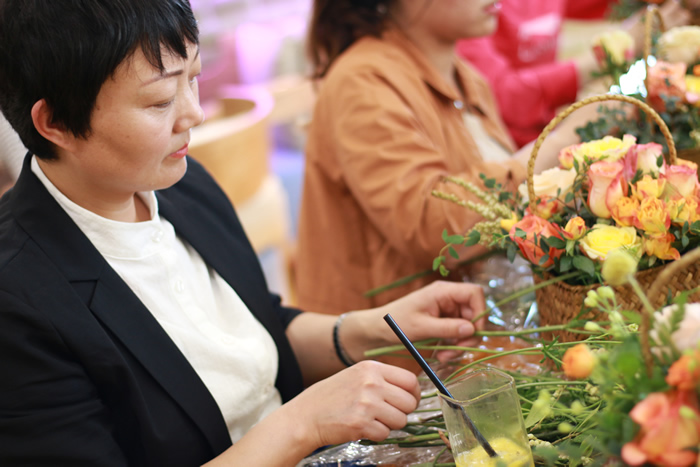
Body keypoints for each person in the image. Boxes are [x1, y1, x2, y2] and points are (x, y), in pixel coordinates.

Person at [0, 1, 489, 465]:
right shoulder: (19, 300)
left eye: (193, 78)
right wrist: (301, 424)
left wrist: (366, 329)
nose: (194, 114)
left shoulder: (182, 186)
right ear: (55, 122)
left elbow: (259, 325)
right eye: (160, 100)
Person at [296, 0, 592, 315]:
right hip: (400, 340)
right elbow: (434, 229)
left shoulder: (466, 76)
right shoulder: (361, 82)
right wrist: (561, 141)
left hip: (472, 323)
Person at [456, 0, 693, 147]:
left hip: (544, 136)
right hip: (500, 148)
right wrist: (612, 51)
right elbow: (503, 98)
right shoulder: (467, 13)